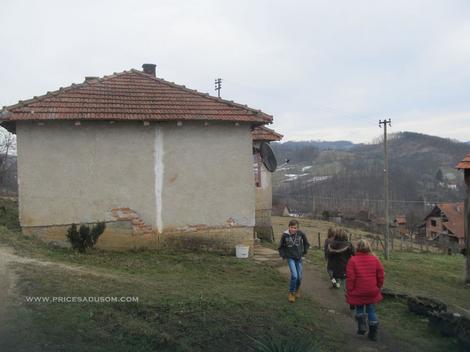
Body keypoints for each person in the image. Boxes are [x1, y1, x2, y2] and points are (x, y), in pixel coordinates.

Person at [346, 239, 385, 341]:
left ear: (357, 247)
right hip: (372, 290)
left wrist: (350, 290)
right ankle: (373, 333)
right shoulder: (375, 259)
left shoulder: (352, 260)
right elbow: (381, 274)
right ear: (368, 247)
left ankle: (362, 326)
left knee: (359, 308)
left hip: (358, 290)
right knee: (371, 310)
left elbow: (351, 277)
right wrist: (378, 287)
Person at [278, 219, 310, 303]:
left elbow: (307, 243)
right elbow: (280, 247)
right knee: (295, 276)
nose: (293, 229)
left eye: (295, 228)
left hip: (299, 258)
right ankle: (291, 293)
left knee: (299, 277)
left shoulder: (300, 234)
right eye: (292, 227)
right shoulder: (285, 235)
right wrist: (283, 255)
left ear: (297, 228)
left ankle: (297, 289)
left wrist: (304, 251)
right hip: (290, 258)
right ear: (289, 227)